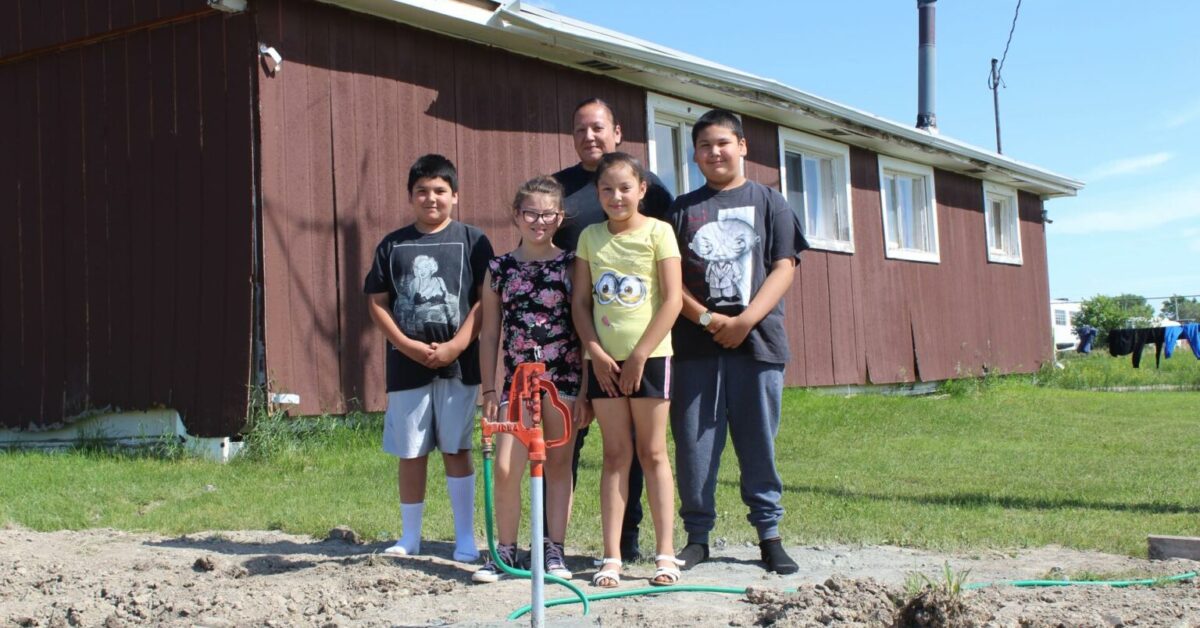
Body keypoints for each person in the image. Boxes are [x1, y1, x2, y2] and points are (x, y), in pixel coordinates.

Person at [666, 110, 808, 575]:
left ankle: (769, 536)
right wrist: (708, 318)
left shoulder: (771, 202)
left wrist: (745, 320)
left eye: (723, 142)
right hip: (695, 348)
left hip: (758, 344)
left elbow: (784, 266)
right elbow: (670, 281)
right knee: (694, 446)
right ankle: (697, 538)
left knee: (758, 443)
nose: (715, 152)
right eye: (705, 145)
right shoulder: (682, 210)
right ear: (695, 154)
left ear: (743, 146)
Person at [552, 97, 673, 562]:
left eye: (598, 128)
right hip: (578, 341)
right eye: (580, 129)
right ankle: (553, 544)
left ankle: (629, 540)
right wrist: (590, 345)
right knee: (568, 439)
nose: (589, 136)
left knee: (637, 448)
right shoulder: (560, 189)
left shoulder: (653, 190)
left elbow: (667, 272)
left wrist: (644, 348)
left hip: (641, 341)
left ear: (617, 132)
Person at [364, 153, 493, 563]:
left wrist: (457, 344)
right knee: (411, 450)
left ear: (455, 195)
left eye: (440, 190)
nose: (431, 198)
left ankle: (464, 539)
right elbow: (378, 303)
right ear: (410, 196)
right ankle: (410, 537)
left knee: (456, 448)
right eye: (422, 191)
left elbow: (485, 301)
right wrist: (407, 345)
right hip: (407, 366)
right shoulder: (393, 244)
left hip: (461, 364)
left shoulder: (473, 240)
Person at [571, 152, 683, 587]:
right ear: (597, 194)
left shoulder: (660, 232)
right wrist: (596, 351)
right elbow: (581, 302)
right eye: (606, 189)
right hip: (602, 362)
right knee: (615, 455)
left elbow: (672, 299)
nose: (616, 197)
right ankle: (612, 557)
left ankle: (666, 555)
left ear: (642, 190)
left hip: (651, 358)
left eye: (624, 188)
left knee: (653, 453)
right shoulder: (589, 238)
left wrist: (638, 355)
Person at [473, 176, 584, 583]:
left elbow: (584, 327)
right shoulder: (499, 269)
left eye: (548, 213)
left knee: (558, 464)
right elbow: (489, 333)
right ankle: (505, 552)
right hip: (515, 385)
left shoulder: (572, 264)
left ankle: (553, 549)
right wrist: (489, 388)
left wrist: (585, 389)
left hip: (564, 382)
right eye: (531, 213)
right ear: (516, 215)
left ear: (560, 217)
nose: (539, 221)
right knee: (505, 467)